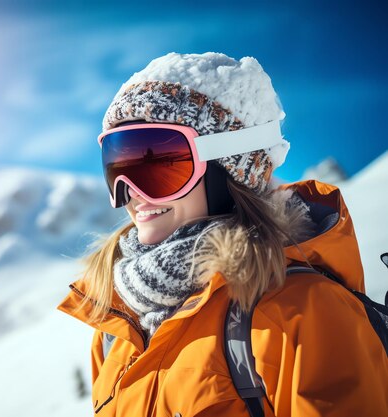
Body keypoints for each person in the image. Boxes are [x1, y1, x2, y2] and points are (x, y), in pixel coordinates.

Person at [57, 52, 388, 417]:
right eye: (117, 166)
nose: (131, 192)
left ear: (227, 171)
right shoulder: (116, 329)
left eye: (159, 166)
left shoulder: (300, 312)